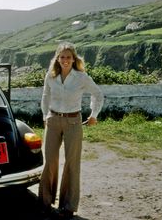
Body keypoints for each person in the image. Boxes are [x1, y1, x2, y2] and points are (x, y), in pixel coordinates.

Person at [38, 42, 104, 219]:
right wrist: (45, 116)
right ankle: (45, 202)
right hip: (53, 120)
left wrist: (93, 115)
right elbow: (45, 96)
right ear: (57, 59)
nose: (65, 60)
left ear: (74, 59)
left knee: (72, 163)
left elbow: (98, 94)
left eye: (68, 57)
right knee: (50, 160)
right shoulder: (50, 76)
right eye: (62, 57)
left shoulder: (81, 77)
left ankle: (68, 206)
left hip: (73, 122)